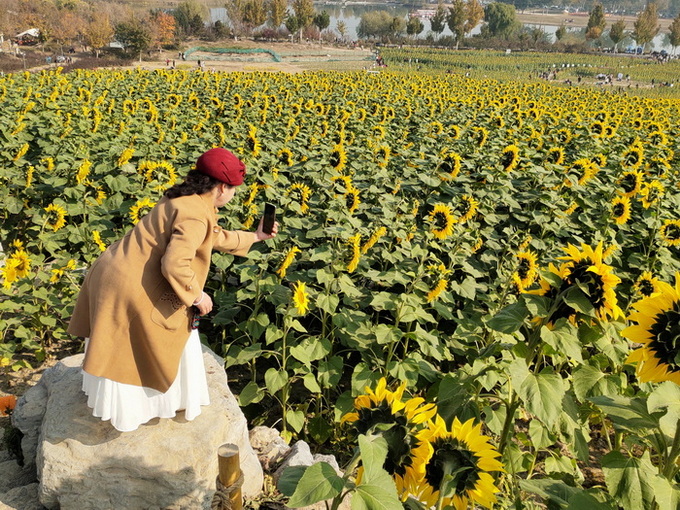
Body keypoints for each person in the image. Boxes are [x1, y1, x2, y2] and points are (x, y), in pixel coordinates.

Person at [67, 148, 278, 432]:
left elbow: (210, 235)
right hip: (133, 283)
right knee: (162, 337)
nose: (233, 196)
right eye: (233, 190)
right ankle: (139, 410)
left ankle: (121, 402)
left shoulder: (184, 199)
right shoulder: (194, 214)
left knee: (118, 341)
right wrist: (196, 295)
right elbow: (175, 265)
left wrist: (254, 236)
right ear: (222, 187)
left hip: (116, 268)